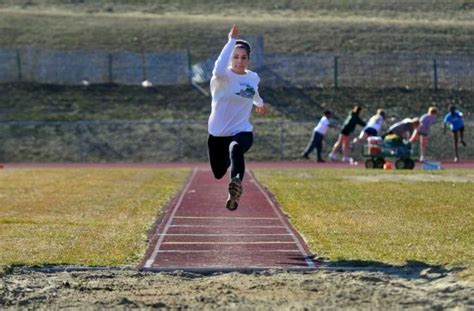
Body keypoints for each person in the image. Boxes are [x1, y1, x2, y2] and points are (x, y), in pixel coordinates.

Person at [207, 25, 268, 211]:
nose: (239, 61)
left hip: (242, 131)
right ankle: (228, 168)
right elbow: (218, 67)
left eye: (243, 58)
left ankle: (236, 185)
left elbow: (254, 93)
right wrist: (231, 40)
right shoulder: (221, 77)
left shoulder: (253, 77)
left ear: (249, 60)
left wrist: (260, 104)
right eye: (235, 57)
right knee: (218, 172)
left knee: (236, 148)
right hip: (217, 135)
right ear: (229, 58)